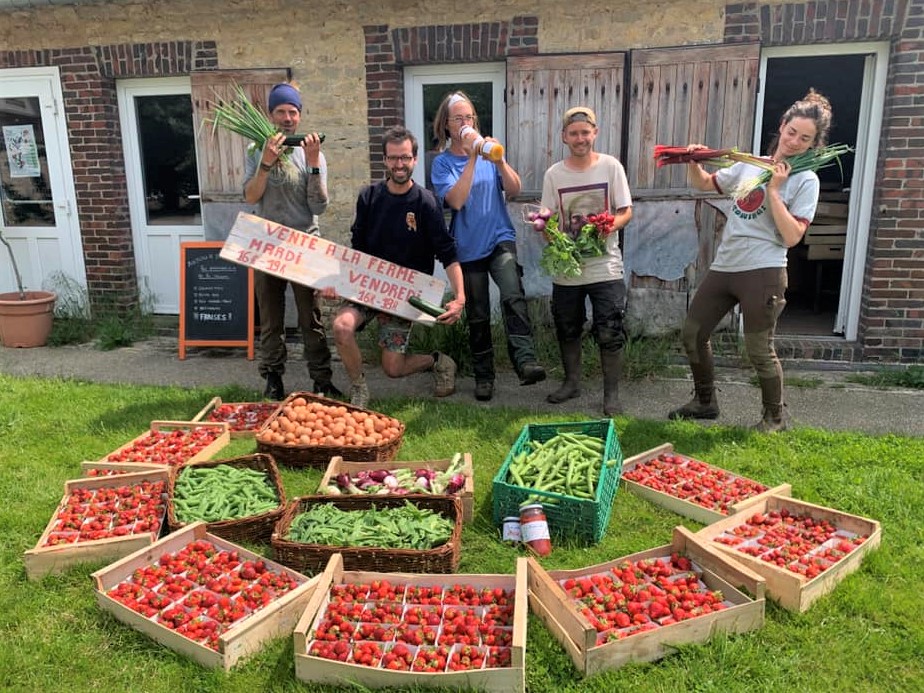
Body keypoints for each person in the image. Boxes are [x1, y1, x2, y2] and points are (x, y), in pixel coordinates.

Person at [668, 89, 833, 432]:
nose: (795, 141)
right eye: (792, 132)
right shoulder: (748, 165)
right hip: (726, 265)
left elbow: (791, 236)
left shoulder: (805, 180)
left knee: (758, 349)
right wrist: (694, 161)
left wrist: (774, 190)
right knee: (693, 333)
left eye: (805, 138)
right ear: (782, 125)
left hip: (764, 270)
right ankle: (704, 401)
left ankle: (775, 418)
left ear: (814, 143)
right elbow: (707, 184)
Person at [328, 125, 466, 409]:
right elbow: (357, 249)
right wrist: (338, 282)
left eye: (405, 157)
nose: (399, 164)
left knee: (393, 368)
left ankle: (439, 361)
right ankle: (359, 389)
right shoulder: (368, 197)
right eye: (393, 158)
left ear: (414, 159)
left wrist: (460, 297)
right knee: (342, 327)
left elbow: (447, 253)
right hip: (367, 285)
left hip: (404, 293)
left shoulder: (426, 202)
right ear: (385, 160)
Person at [430, 91, 546, 402]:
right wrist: (471, 157)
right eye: (459, 119)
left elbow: (515, 189)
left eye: (469, 118)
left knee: (512, 293)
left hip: (499, 237)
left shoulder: (490, 156)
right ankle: (484, 376)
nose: (466, 123)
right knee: (478, 313)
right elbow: (455, 200)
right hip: (467, 247)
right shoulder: (442, 164)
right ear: (446, 125)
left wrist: (499, 159)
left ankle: (526, 361)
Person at [243, 82, 340, 401]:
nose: (287, 118)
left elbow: (319, 207)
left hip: (305, 244)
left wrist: (313, 163)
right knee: (270, 317)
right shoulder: (257, 150)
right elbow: (250, 196)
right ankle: (273, 378)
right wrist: (267, 163)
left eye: (293, 112)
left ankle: (321, 380)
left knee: (310, 318)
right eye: (281, 111)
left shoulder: (312, 154)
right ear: (271, 115)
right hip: (267, 242)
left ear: (300, 116)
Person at [539, 106, 633, 417]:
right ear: (565, 137)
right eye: (574, 133)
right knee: (567, 327)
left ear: (595, 133)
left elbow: (626, 211)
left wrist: (611, 225)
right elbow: (546, 217)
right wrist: (551, 236)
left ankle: (612, 394)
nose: (580, 138)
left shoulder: (611, 167)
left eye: (585, 132)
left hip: (605, 265)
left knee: (609, 329)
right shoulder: (554, 174)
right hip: (569, 269)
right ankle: (572, 383)